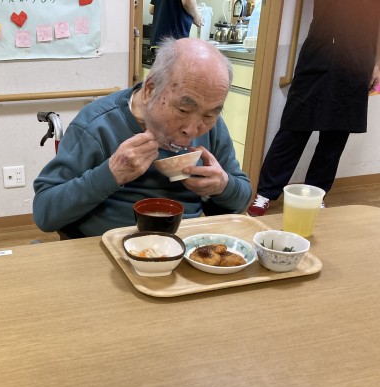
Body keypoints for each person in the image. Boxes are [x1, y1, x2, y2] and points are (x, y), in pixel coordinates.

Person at [33, 37, 252, 238]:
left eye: (209, 114)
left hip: (186, 246)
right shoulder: (97, 125)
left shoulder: (213, 128)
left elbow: (241, 199)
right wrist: (111, 174)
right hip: (107, 247)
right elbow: (44, 213)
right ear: (150, 90)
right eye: (183, 110)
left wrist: (223, 185)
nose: (193, 130)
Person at [247, 0, 380, 216]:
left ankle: (316, 194)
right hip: (319, 52)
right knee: (294, 127)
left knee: (336, 136)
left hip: (358, 60)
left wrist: (378, 64)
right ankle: (266, 192)